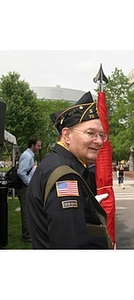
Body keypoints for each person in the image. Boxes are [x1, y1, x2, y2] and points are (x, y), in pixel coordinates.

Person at [26, 91, 112, 249]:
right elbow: (69, 244)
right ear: (66, 135)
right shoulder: (65, 177)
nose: (99, 141)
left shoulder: (59, 163)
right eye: (90, 133)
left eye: (101, 135)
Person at [17, 137, 42, 242]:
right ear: (32, 145)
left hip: (26, 186)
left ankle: (28, 234)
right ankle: (26, 235)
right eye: (38, 146)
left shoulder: (30, 155)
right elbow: (21, 172)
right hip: (25, 187)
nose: (40, 148)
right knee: (26, 211)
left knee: (29, 210)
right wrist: (29, 183)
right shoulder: (27, 156)